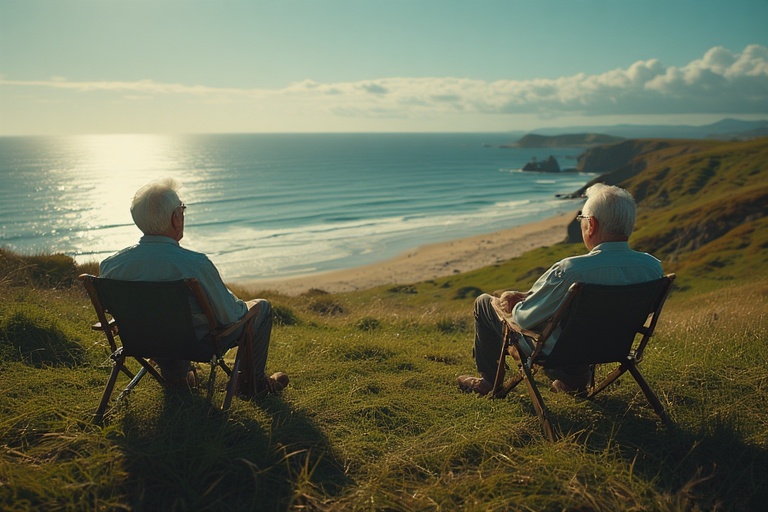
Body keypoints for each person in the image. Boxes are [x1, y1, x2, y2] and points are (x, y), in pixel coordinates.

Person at [458, 183, 663, 396]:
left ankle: (489, 382)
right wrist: (530, 296)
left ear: (591, 225)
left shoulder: (572, 271)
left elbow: (525, 319)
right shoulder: (652, 268)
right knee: (572, 324)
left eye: (581, 220)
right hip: (612, 347)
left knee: (484, 302)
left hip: (559, 353)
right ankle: (573, 382)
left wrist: (516, 303)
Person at [100, 178, 288, 394]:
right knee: (261, 307)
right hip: (197, 345)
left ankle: (177, 379)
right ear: (175, 218)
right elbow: (229, 317)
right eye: (182, 210)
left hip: (142, 341)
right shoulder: (195, 266)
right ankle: (250, 384)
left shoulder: (111, 266)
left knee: (163, 325)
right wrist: (250, 307)